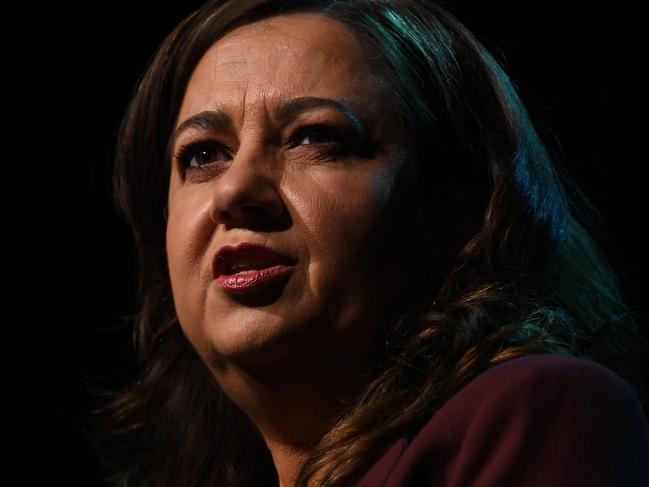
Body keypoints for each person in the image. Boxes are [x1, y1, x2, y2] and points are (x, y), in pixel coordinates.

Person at [90, 1, 649, 486]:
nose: (235, 191)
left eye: (316, 137)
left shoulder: (538, 410)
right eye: (203, 154)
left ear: (457, 206)